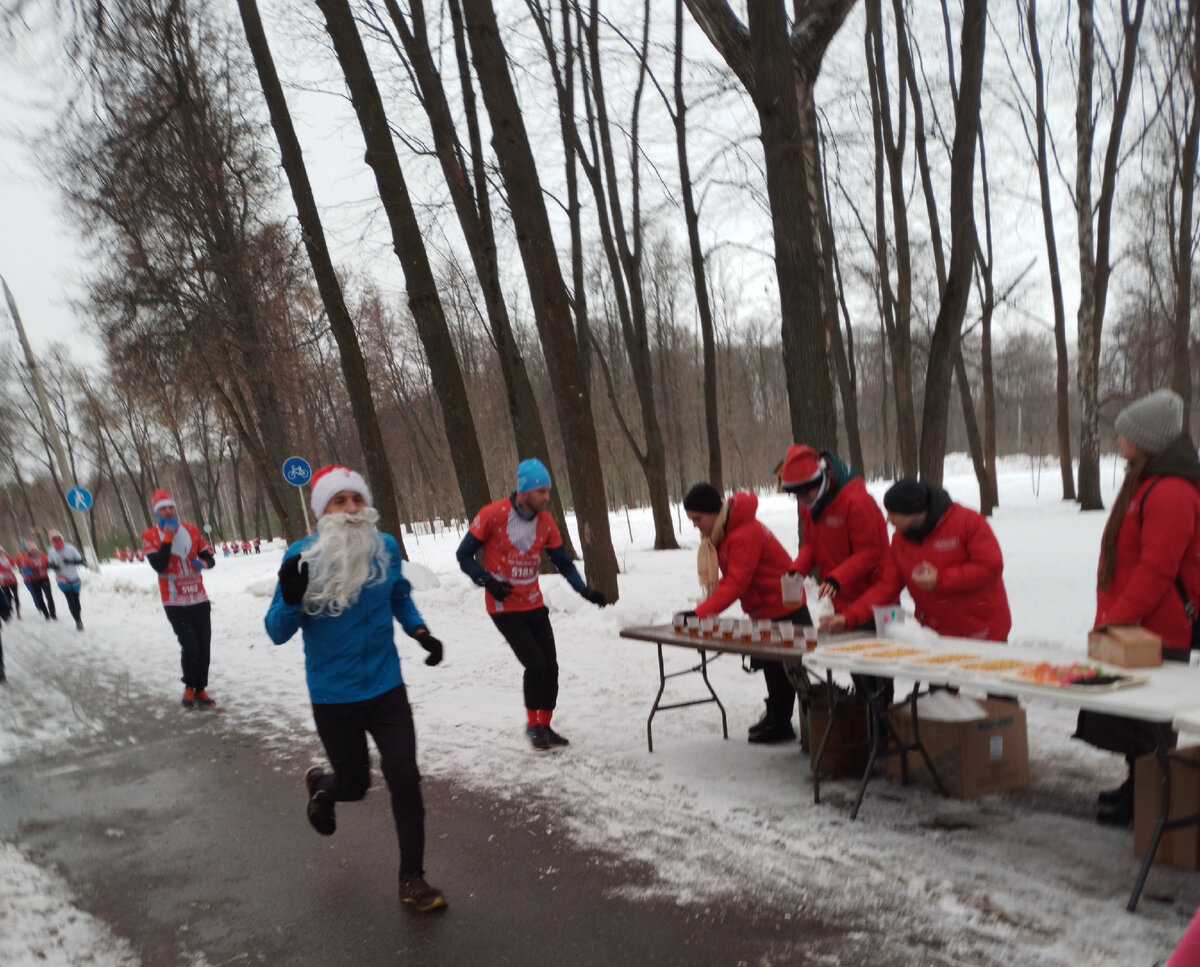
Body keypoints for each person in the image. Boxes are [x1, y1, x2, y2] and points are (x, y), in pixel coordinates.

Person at [265, 464, 447, 913]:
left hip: (386, 688)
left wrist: (420, 631)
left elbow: (399, 594)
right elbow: (275, 631)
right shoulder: (300, 557)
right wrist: (291, 599)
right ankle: (322, 787)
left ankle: (413, 879)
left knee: (404, 775)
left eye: (356, 499)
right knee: (355, 784)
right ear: (321, 511)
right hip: (333, 695)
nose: (350, 509)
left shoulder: (383, 547)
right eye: (338, 501)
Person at [1077, 389, 1200, 825]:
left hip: (1157, 626)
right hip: (1136, 624)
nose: (1118, 440)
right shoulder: (1145, 480)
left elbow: (1157, 568)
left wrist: (1118, 618)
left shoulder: (1170, 491)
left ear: (1147, 439)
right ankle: (1140, 787)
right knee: (1132, 714)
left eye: (1124, 434)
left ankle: (1152, 797)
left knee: (1149, 716)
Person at [456, 458, 608, 751]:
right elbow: (463, 555)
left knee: (551, 667)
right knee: (535, 664)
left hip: (533, 604)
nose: (547, 498)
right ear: (525, 490)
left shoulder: (546, 522)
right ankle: (532, 725)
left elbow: (563, 562)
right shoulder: (492, 515)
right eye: (542, 492)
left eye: (548, 492)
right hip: (503, 607)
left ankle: (546, 727)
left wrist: (584, 591)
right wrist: (486, 580)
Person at [679, 481, 810, 744]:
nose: (694, 525)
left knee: (785, 670)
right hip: (766, 609)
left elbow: (736, 583)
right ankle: (776, 716)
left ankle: (784, 723)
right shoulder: (725, 533)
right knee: (772, 668)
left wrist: (699, 613)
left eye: (697, 518)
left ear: (713, 512)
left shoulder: (743, 534)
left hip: (784, 609)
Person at [822, 478, 1011, 642]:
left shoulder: (968, 522)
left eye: (892, 513)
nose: (888, 519)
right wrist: (848, 618)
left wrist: (941, 579)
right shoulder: (900, 541)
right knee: (940, 685)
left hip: (985, 632)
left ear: (911, 512)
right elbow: (885, 588)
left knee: (992, 681)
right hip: (937, 635)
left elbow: (990, 566)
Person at [142, 489, 217, 709]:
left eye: (170, 507)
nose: (168, 511)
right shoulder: (149, 536)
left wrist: (203, 563)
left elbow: (209, 559)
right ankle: (189, 686)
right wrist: (167, 536)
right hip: (174, 602)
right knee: (190, 646)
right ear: (156, 512)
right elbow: (160, 565)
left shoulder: (192, 530)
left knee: (204, 647)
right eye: (162, 509)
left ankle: (201, 688)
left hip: (199, 600)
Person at [46, 529, 86, 631]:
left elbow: (80, 561)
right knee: (70, 600)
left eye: (58, 539)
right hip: (62, 580)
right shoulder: (51, 551)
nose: (57, 541)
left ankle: (78, 617)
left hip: (74, 578)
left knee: (76, 601)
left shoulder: (70, 548)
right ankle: (78, 622)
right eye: (54, 540)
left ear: (62, 539)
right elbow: (49, 565)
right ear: (52, 541)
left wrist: (70, 562)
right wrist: (55, 567)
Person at [17, 539, 56, 621]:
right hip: (34, 580)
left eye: (35, 549)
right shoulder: (26, 558)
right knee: (39, 598)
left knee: (49, 596)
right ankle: (46, 614)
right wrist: (31, 572)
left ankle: (53, 614)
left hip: (44, 578)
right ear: (29, 551)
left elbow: (48, 563)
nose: (34, 551)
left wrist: (50, 566)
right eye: (32, 550)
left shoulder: (42, 555)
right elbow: (24, 569)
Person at [0, 545, 22, 619]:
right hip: (3, 582)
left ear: (3, 551)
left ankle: (18, 612)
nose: (0, 553)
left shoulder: (9, 558)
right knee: (8, 597)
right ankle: (10, 606)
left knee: (16, 596)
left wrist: (13, 568)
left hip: (12, 580)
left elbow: (15, 567)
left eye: (1, 551)